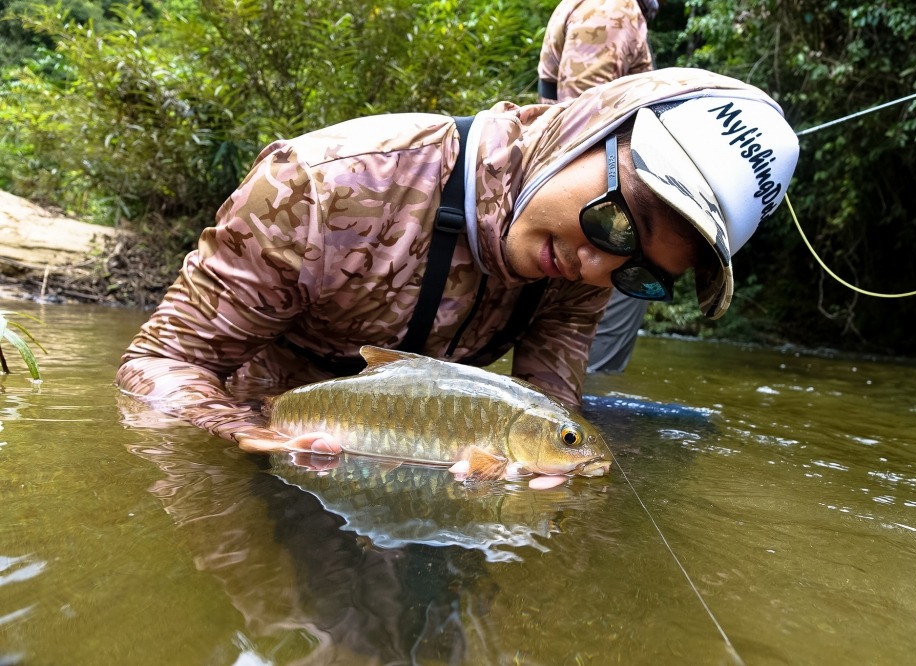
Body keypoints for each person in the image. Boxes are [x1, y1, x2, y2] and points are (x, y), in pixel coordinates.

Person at [115, 67, 800, 455]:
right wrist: (248, 434)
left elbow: (549, 405)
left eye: (642, 273)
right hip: (262, 434)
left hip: (419, 450)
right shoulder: (324, 185)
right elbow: (158, 365)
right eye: (621, 221)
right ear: (588, 130)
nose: (599, 270)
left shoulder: (591, 267)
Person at [537, 0, 660, 372]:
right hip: (599, 216)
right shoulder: (613, 7)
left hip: (588, 208)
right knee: (590, 368)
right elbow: (583, 125)